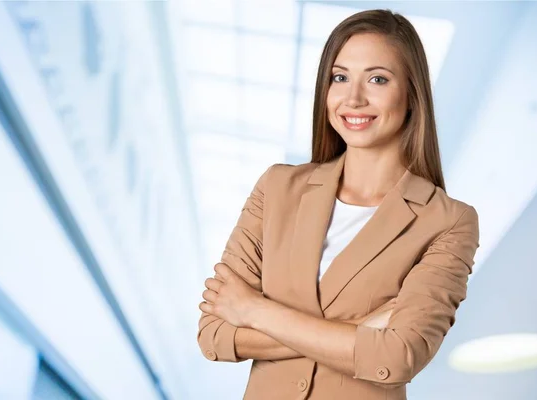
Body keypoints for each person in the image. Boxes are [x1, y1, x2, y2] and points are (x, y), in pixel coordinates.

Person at [197, 8, 480, 400]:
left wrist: (255, 311)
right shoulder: (277, 188)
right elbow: (214, 334)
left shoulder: (449, 220)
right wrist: (363, 328)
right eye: (340, 77)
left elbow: (399, 356)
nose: (353, 98)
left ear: (412, 94)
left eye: (378, 79)